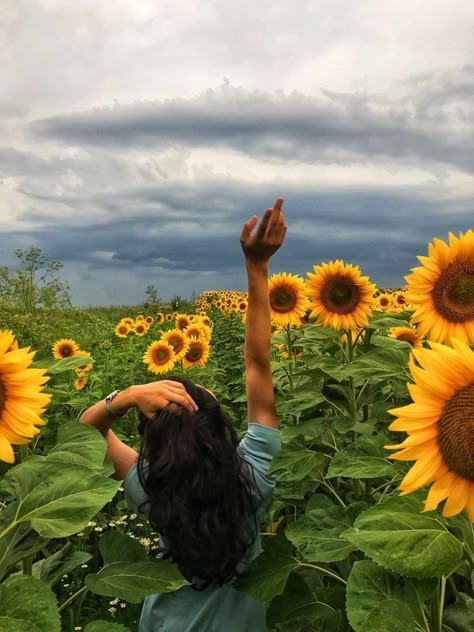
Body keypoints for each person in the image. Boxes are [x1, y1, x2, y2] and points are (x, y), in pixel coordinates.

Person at [80, 198, 287, 631]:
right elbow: (257, 363)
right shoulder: (253, 480)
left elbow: (85, 432)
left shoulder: (148, 487)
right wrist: (257, 265)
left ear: (154, 444)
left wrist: (129, 395)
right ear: (219, 427)